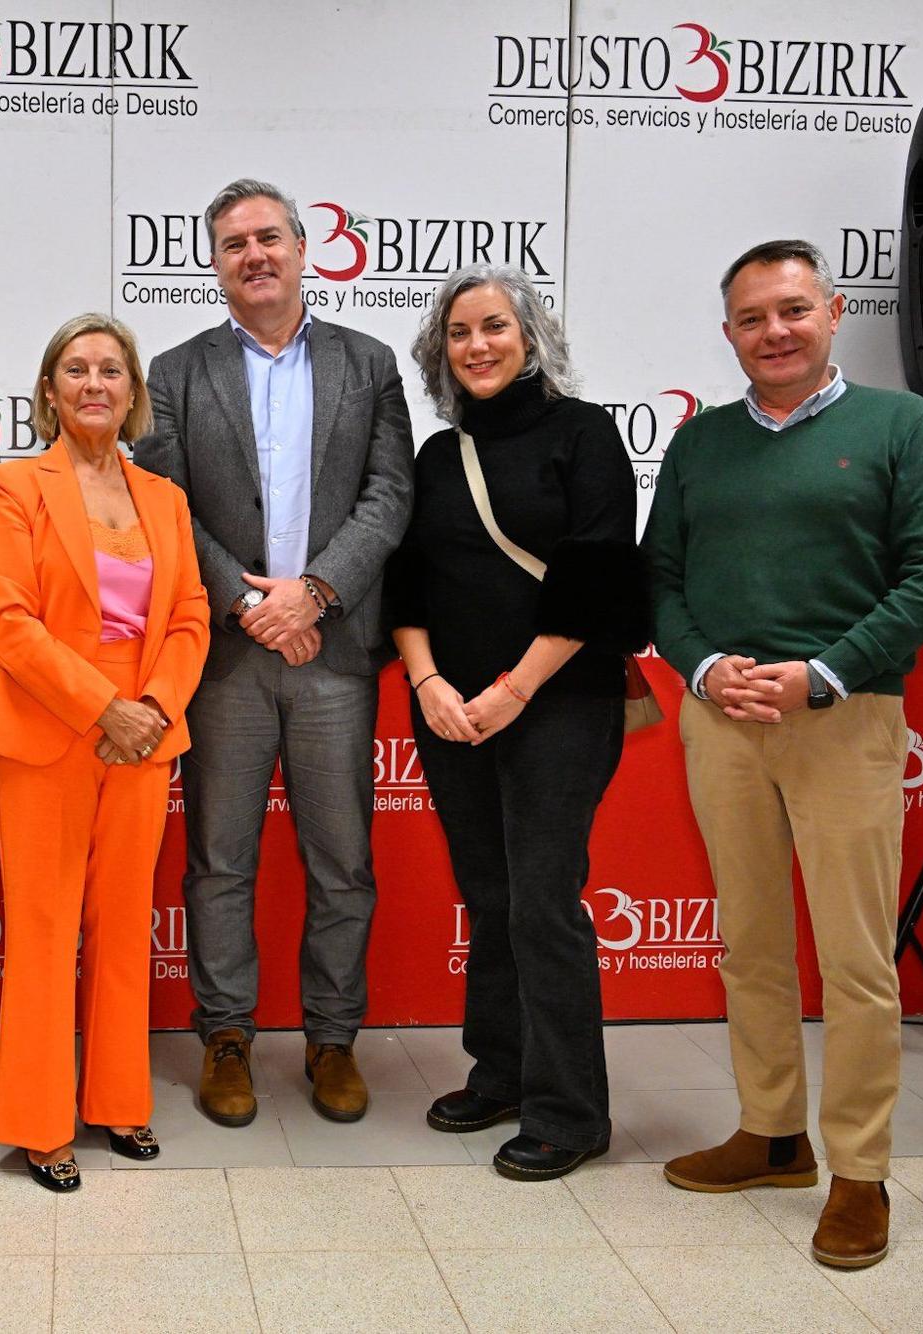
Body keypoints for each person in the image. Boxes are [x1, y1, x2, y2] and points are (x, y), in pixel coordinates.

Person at [643, 239, 923, 1269]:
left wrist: (820, 672)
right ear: (727, 332)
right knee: (749, 940)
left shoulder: (898, 424)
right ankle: (772, 1131)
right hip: (721, 718)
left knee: (856, 961)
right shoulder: (700, 442)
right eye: (749, 318)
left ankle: (858, 1172)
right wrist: (699, 670)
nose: (772, 331)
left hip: (844, 718)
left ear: (829, 312)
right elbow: (659, 578)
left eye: (790, 310)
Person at [136, 178, 414, 1127]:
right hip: (226, 654)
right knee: (220, 860)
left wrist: (316, 594)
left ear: (305, 247)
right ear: (214, 263)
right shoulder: (172, 373)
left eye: (268, 238)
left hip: (333, 651)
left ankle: (333, 1039)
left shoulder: (368, 362)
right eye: (232, 244)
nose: (253, 255)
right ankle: (227, 1035)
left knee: (341, 860)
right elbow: (165, 506)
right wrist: (251, 604)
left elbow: (389, 497)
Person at [386, 265, 647, 1180]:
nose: (478, 346)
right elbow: (406, 583)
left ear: (531, 337)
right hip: (451, 712)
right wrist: (427, 686)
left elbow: (596, 580)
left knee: (542, 902)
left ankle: (570, 1112)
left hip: (555, 704)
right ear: (441, 353)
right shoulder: (435, 455)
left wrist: (512, 691)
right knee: (490, 900)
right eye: (459, 334)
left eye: (495, 327)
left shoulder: (585, 434)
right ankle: (500, 1070)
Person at [0, 314, 210, 1191]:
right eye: (76, 369)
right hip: (46, 727)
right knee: (41, 929)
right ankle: (39, 1120)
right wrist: (102, 705)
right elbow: (6, 621)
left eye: (112, 369)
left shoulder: (167, 500)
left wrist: (148, 708)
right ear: (49, 392)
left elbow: (189, 615)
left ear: (133, 392)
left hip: (143, 731)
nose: (95, 383)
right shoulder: (15, 488)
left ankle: (118, 1102)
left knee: (122, 925)